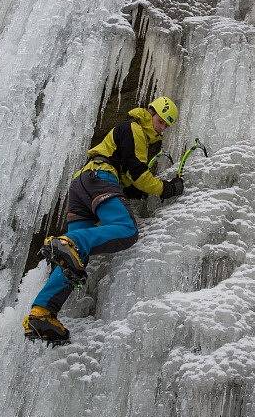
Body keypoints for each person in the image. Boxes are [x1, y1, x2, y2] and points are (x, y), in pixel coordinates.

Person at [23, 96, 183, 344]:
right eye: (160, 120)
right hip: (99, 178)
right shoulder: (134, 128)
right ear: (150, 113)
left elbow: (129, 177)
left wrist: (136, 189)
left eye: (165, 125)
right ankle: (66, 241)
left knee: (76, 257)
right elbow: (137, 172)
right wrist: (166, 188)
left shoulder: (133, 136)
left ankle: (41, 312)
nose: (161, 127)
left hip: (81, 187)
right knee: (126, 229)